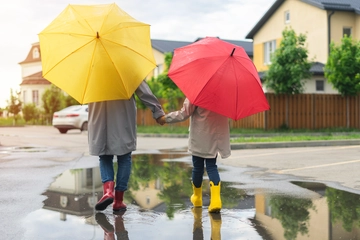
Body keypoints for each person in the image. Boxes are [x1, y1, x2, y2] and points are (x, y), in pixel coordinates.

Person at [89, 80, 165, 212]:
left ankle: (108, 192)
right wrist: (158, 112)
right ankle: (118, 201)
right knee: (124, 157)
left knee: (104, 156)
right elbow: (144, 92)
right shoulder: (127, 67)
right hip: (122, 116)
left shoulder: (92, 69)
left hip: (99, 117)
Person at [157, 98, 230, 213]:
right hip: (215, 137)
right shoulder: (222, 94)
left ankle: (197, 198)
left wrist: (165, 118)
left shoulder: (197, 93)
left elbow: (184, 113)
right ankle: (216, 201)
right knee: (212, 166)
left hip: (199, 136)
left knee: (198, 168)